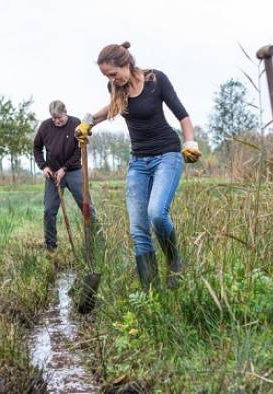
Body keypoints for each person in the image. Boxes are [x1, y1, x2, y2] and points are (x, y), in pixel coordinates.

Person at [76, 41, 201, 290]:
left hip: (167, 155)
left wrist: (190, 142)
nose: (113, 79)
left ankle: (174, 261)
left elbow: (182, 115)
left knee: (156, 213)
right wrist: (87, 122)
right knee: (138, 229)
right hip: (138, 162)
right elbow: (110, 110)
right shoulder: (116, 88)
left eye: (114, 73)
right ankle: (150, 292)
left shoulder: (156, 80)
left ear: (126, 64)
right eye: (107, 76)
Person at [33, 100, 98, 251]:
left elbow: (78, 152)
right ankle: (51, 247)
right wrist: (44, 167)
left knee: (87, 206)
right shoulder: (45, 126)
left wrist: (65, 168)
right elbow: (36, 148)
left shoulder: (76, 123)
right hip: (53, 174)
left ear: (65, 112)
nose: (56, 121)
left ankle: (97, 239)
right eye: (53, 118)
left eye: (59, 118)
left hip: (73, 171)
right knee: (49, 210)